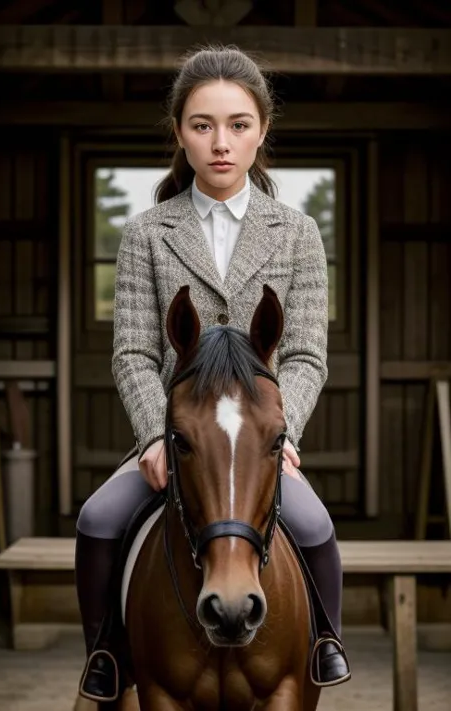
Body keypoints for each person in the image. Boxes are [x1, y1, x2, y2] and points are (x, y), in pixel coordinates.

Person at [76, 44, 350, 703]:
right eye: (202, 126)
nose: (220, 143)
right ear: (180, 133)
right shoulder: (146, 232)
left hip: (258, 440)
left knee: (315, 529)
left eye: (237, 124)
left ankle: (324, 645)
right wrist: (151, 437)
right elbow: (135, 354)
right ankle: (107, 655)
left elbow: (308, 354)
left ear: (261, 131)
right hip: (181, 436)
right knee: (97, 520)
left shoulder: (298, 232)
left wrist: (283, 433)